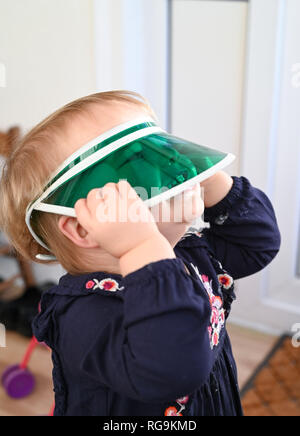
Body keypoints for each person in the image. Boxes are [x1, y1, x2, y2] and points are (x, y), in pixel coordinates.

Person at [0, 91, 281, 416]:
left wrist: (208, 182)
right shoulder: (83, 315)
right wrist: (141, 248)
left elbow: (258, 245)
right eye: (137, 168)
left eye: (162, 150)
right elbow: (175, 368)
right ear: (84, 229)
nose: (173, 166)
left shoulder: (185, 251)